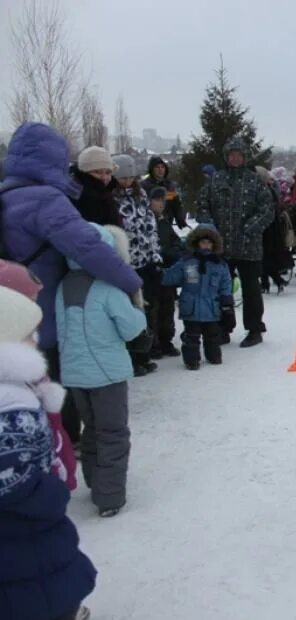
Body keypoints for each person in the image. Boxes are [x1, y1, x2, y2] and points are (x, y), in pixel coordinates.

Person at [0, 122, 143, 447]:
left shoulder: (6, 194)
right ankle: (62, 444)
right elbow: (88, 247)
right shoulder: (46, 199)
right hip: (45, 308)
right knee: (53, 383)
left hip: (9, 308)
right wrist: (130, 282)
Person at [0, 283, 96, 620]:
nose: (36, 341)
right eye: (29, 335)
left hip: (23, 540)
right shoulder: (11, 404)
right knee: (37, 592)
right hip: (22, 535)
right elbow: (12, 479)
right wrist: (51, 492)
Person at [56, 224, 147, 517]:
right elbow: (130, 328)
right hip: (107, 373)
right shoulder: (108, 288)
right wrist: (139, 311)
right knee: (114, 432)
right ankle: (109, 497)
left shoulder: (63, 285)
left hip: (74, 373)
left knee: (92, 429)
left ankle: (96, 481)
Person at [196, 136, 274, 347]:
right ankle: (223, 328)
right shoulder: (216, 180)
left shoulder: (255, 180)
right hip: (220, 247)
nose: (235, 159)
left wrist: (250, 228)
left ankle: (254, 328)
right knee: (221, 289)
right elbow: (202, 205)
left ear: (244, 157)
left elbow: (268, 209)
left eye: (239, 155)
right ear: (226, 157)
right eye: (231, 155)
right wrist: (210, 228)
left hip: (249, 247)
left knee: (251, 290)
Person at [112, 154, 162, 375]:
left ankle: (143, 354)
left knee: (145, 309)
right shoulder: (112, 200)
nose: (126, 181)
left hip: (145, 262)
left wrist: (155, 257)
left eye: (130, 177)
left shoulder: (140, 197)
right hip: (125, 264)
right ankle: (130, 356)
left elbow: (150, 229)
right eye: (122, 177)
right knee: (126, 312)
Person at [162, 226, 234, 370]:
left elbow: (226, 283)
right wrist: (159, 273)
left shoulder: (219, 265)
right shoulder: (187, 262)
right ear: (196, 243)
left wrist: (226, 299)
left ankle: (214, 356)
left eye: (209, 243)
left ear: (214, 244)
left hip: (211, 308)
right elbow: (172, 276)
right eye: (203, 242)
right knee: (191, 337)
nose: (206, 246)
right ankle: (191, 360)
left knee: (212, 336)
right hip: (191, 308)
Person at [150, 187, 183, 357]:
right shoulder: (147, 221)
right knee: (154, 308)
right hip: (153, 270)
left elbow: (175, 240)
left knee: (167, 307)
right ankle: (153, 344)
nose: (161, 204)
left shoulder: (164, 221)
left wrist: (176, 251)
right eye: (158, 200)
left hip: (168, 271)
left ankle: (166, 341)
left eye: (163, 200)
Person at [255, 166, 291, 296]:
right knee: (265, 258)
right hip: (270, 229)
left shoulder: (265, 191)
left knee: (264, 258)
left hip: (267, 229)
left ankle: (272, 281)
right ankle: (270, 282)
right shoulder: (270, 189)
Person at [71, 146, 123, 227]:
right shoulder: (85, 198)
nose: (104, 177)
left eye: (108, 172)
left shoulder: (107, 193)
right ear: (84, 173)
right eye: (97, 172)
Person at [141, 156, 187, 229]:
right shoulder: (145, 185)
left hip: (166, 222)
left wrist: (180, 219)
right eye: (157, 167)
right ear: (152, 169)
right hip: (149, 223)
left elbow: (175, 203)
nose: (160, 170)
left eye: (162, 167)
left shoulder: (169, 186)